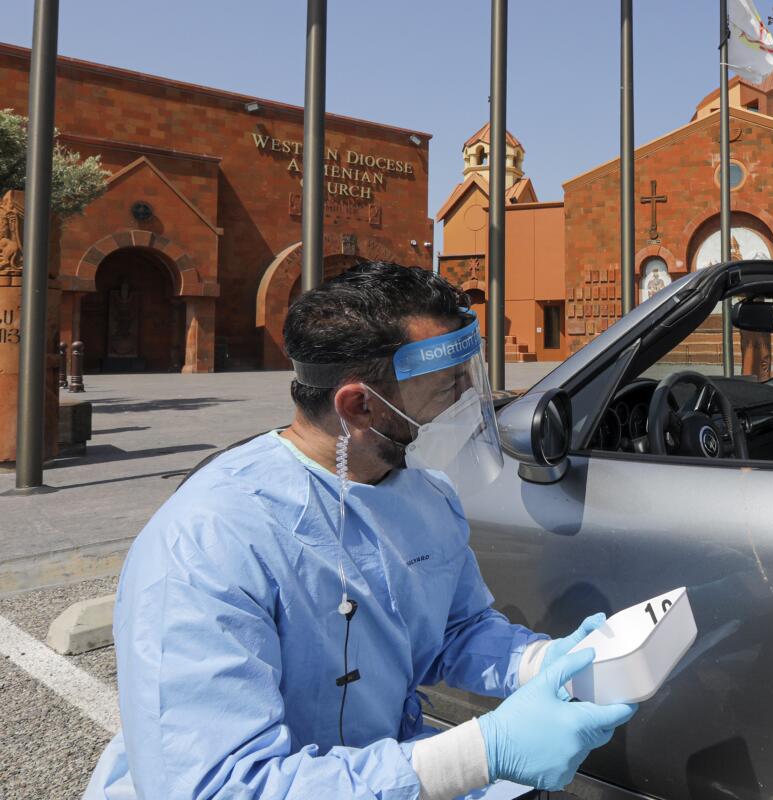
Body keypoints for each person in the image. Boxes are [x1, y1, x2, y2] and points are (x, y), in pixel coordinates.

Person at [85, 262, 636, 800]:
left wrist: (540, 662)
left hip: (385, 770)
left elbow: (454, 627)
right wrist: (478, 754)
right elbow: (218, 785)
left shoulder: (425, 494)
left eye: (474, 378)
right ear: (359, 405)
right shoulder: (208, 543)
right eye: (449, 387)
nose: (473, 401)